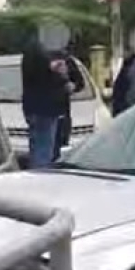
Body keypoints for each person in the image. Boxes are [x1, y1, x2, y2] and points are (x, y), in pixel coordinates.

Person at [21, 20, 85, 168]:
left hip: (52, 110)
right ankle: (41, 182)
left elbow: (78, 81)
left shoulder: (61, 55)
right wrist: (56, 69)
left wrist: (72, 85)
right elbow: (41, 69)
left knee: (45, 150)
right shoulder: (36, 51)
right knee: (44, 152)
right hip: (46, 109)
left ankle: (41, 178)